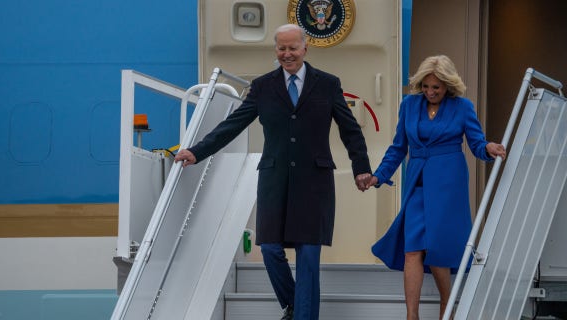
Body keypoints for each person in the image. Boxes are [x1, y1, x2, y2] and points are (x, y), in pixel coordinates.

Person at [174, 23, 372, 320]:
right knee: (269, 249)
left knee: (308, 256)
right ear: (275, 50)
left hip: (313, 181)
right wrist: (197, 151)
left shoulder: (328, 84)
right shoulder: (264, 86)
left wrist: (361, 168)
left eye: (293, 48)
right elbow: (234, 124)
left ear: (306, 48)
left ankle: (304, 316)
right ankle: (295, 306)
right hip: (274, 178)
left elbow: (350, 129)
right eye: (282, 48)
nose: (287, 54)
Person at [366, 55, 507, 319]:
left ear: (448, 85)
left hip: (447, 183)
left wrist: (488, 147)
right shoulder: (409, 105)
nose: (430, 92)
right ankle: (412, 315)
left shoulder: (463, 107)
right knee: (412, 249)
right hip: (417, 182)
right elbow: (398, 147)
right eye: (426, 86)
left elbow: (476, 143)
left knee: (438, 248)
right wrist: (378, 176)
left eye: (437, 88)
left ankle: (447, 304)